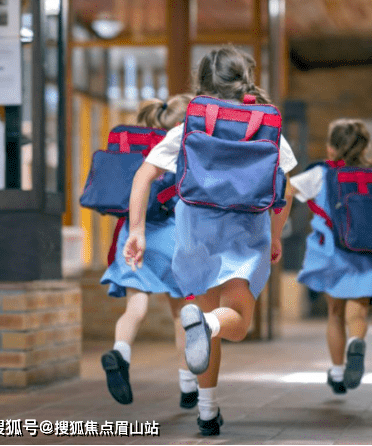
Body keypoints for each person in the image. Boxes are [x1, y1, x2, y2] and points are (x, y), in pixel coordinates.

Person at [123, 46, 297, 436]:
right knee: (235, 320)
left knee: (206, 324)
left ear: (201, 82)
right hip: (245, 232)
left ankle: (207, 411)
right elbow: (287, 187)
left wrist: (136, 230)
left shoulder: (189, 125)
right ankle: (205, 325)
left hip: (195, 232)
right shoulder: (266, 125)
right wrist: (274, 233)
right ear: (246, 78)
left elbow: (143, 176)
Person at [100, 94, 199, 409]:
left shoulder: (136, 147)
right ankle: (188, 385)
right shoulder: (179, 144)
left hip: (134, 234)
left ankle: (120, 352)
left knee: (135, 308)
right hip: (171, 234)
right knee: (181, 313)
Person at [289, 119, 372, 395]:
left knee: (335, 313)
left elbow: (286, 191)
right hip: (364, 252)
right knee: (359, 312)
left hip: (331, 252)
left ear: (331, 148)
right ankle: (356, 342)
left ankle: (336, 371)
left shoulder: (320, 173)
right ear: (363, 147)